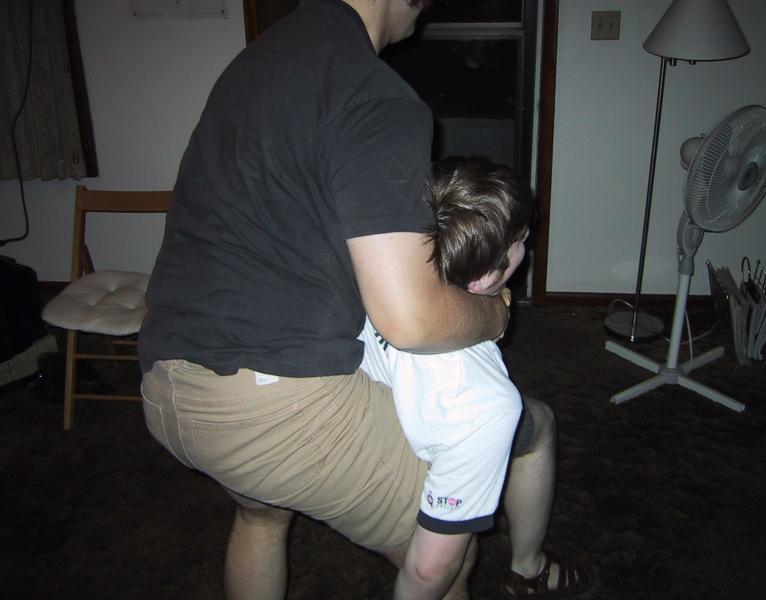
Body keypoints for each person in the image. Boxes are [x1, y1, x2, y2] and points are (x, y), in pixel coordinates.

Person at [137, 0, 584, 598]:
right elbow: (411, 322)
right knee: (448, 563)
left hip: (168, 379)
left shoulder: (259, 60)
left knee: (263, 513)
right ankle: (527, 568)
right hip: (270, 407)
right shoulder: (371, 91)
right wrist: (497, 314)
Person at [358, 156, 588, 599]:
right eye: (520, 242)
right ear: (483, 279)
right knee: (537, 423)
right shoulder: (486, 403)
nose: (526, 248)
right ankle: (528, 569)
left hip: (372, 410)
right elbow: (426, 573)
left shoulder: (375, 275)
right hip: (410, 454)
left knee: (536, 418)